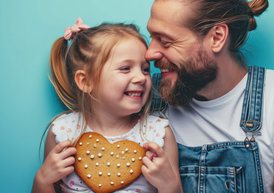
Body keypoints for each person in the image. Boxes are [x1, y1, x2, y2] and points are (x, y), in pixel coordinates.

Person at [145, 0, 274, 193]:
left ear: (217, 37)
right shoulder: (143, 97)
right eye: (151, 37)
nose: (150, 54)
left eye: (166, 41)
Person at [31, 18, 182, 193]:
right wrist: (42, 180)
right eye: (125, 68)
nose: (141, 78)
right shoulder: (63, 132)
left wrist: (169, 185)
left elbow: (175, 188)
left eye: (145, 69)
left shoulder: (158, 134)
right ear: (85, 81)